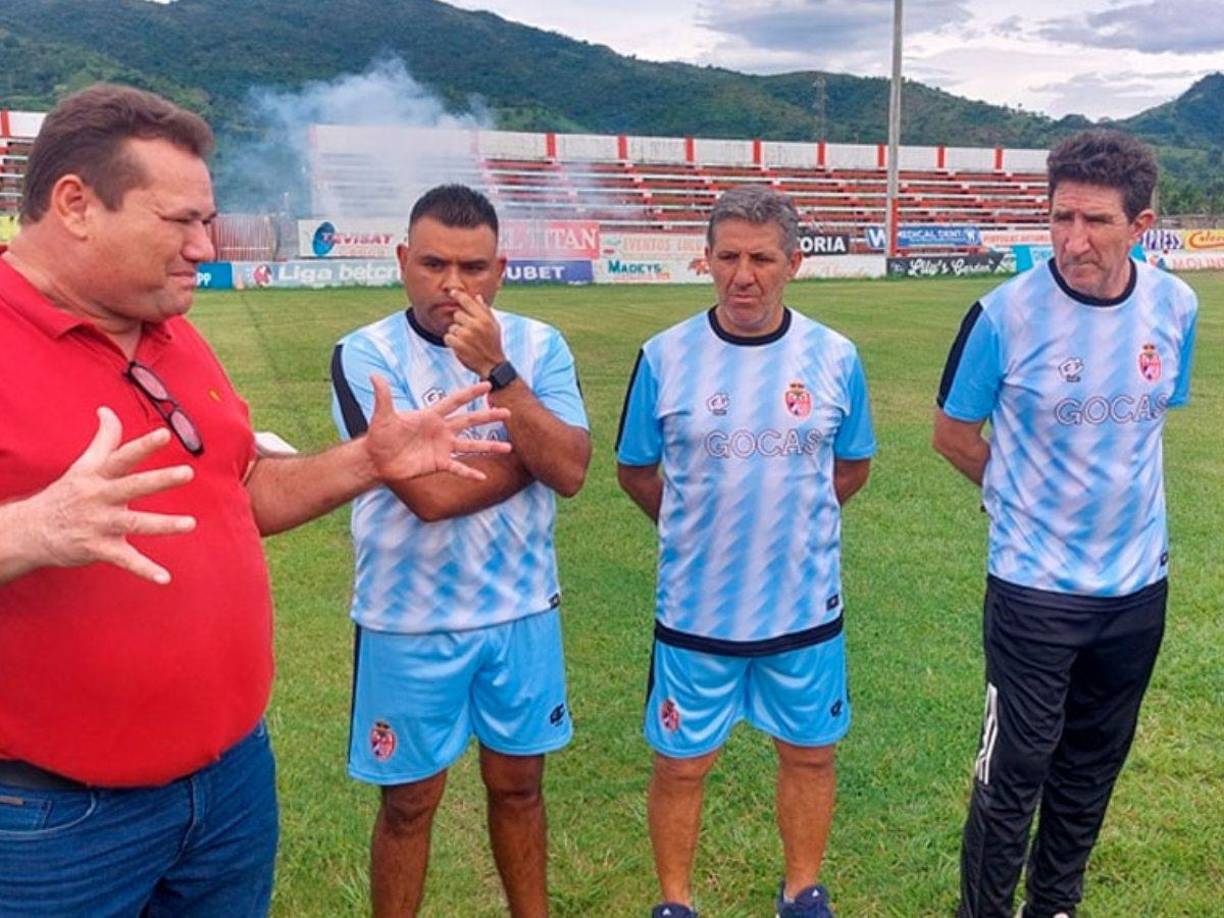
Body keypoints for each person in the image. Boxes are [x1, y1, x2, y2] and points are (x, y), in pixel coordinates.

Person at [0, 84, 510, 915]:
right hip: (54, 820)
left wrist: (369, 461)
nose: (205, 246)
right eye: (181, 222)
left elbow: (235, 491)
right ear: (75, 204)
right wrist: (29, 528)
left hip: (228, 782)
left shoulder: (171, 328)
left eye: (209, 221)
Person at [933, 129, 1198, 918]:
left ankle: (1055, 905)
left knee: (1089, 771)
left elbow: (1152, 418)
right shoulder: (1004, 313)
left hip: (1136, 590)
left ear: (1140, 226)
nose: (1073, 241)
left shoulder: (1175, 305)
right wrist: (1015, 493)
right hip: (1032, 591)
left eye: (1096, 222)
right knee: (1011, 775)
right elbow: (952, 434)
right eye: (1060, 219)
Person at [330, 184, 591, 917]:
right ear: (403, 260)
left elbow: (570, 471)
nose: (453, 285)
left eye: (473, 267)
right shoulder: (364, 355)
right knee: (410, 805)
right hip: (407, 620)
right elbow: (428, 497)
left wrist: (500, 374)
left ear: (500, 269)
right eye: (435, 263)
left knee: (520, 790)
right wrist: (529, 450)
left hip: (521, 610)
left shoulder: (539, 346)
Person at [616, 185, 875, 918]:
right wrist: (693, 528)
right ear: (706, 260)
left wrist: (797, 519)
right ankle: (675, 903)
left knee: (809, 753)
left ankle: (802, 891)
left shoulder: (834, 356)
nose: (743, 275)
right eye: (728, 256)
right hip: (698, 611)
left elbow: (851, 464)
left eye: (761, 258)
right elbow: (635, 469)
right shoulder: (664, 357)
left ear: (793, 262)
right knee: (681, 763)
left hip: (803, 606)